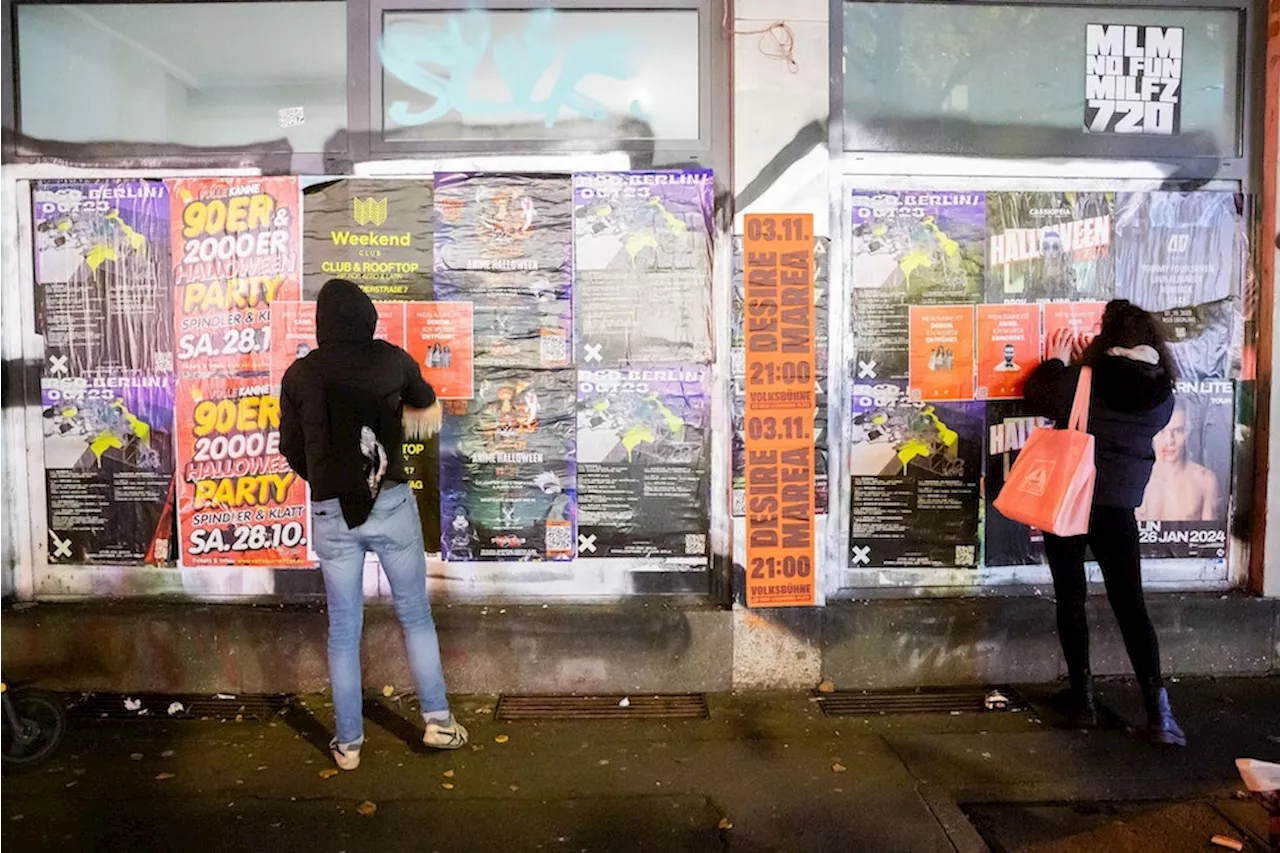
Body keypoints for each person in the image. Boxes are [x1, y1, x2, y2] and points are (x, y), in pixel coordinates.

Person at [280, 278, 467, 771]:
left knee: (343, 629)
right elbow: (425, 401)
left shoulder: (300, 375)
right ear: (366, 317)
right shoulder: (391, 359)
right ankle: (438, 722)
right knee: (415, 614)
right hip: (390, 503)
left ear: (322, 323)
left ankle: (349, 745)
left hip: (330, 512)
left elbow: (292, 449)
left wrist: (325, 478)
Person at [1023, 299, 1185, 746]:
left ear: (1106, 338)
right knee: (1131, 604)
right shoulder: (1162, 395)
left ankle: (1083, 701)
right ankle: (1160, 713)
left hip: (1071, 500)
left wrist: (1057, 360)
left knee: (1071, 597)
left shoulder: (1082, 380)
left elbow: (1037, 394)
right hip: (1119, 509)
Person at [1137, 398, 1223, 522]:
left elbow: (1210, 537)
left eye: (1177, 431)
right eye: (1161, 431)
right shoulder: (1136, 477)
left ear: (1188, 432)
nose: (1169, 440)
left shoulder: (1204, 481)